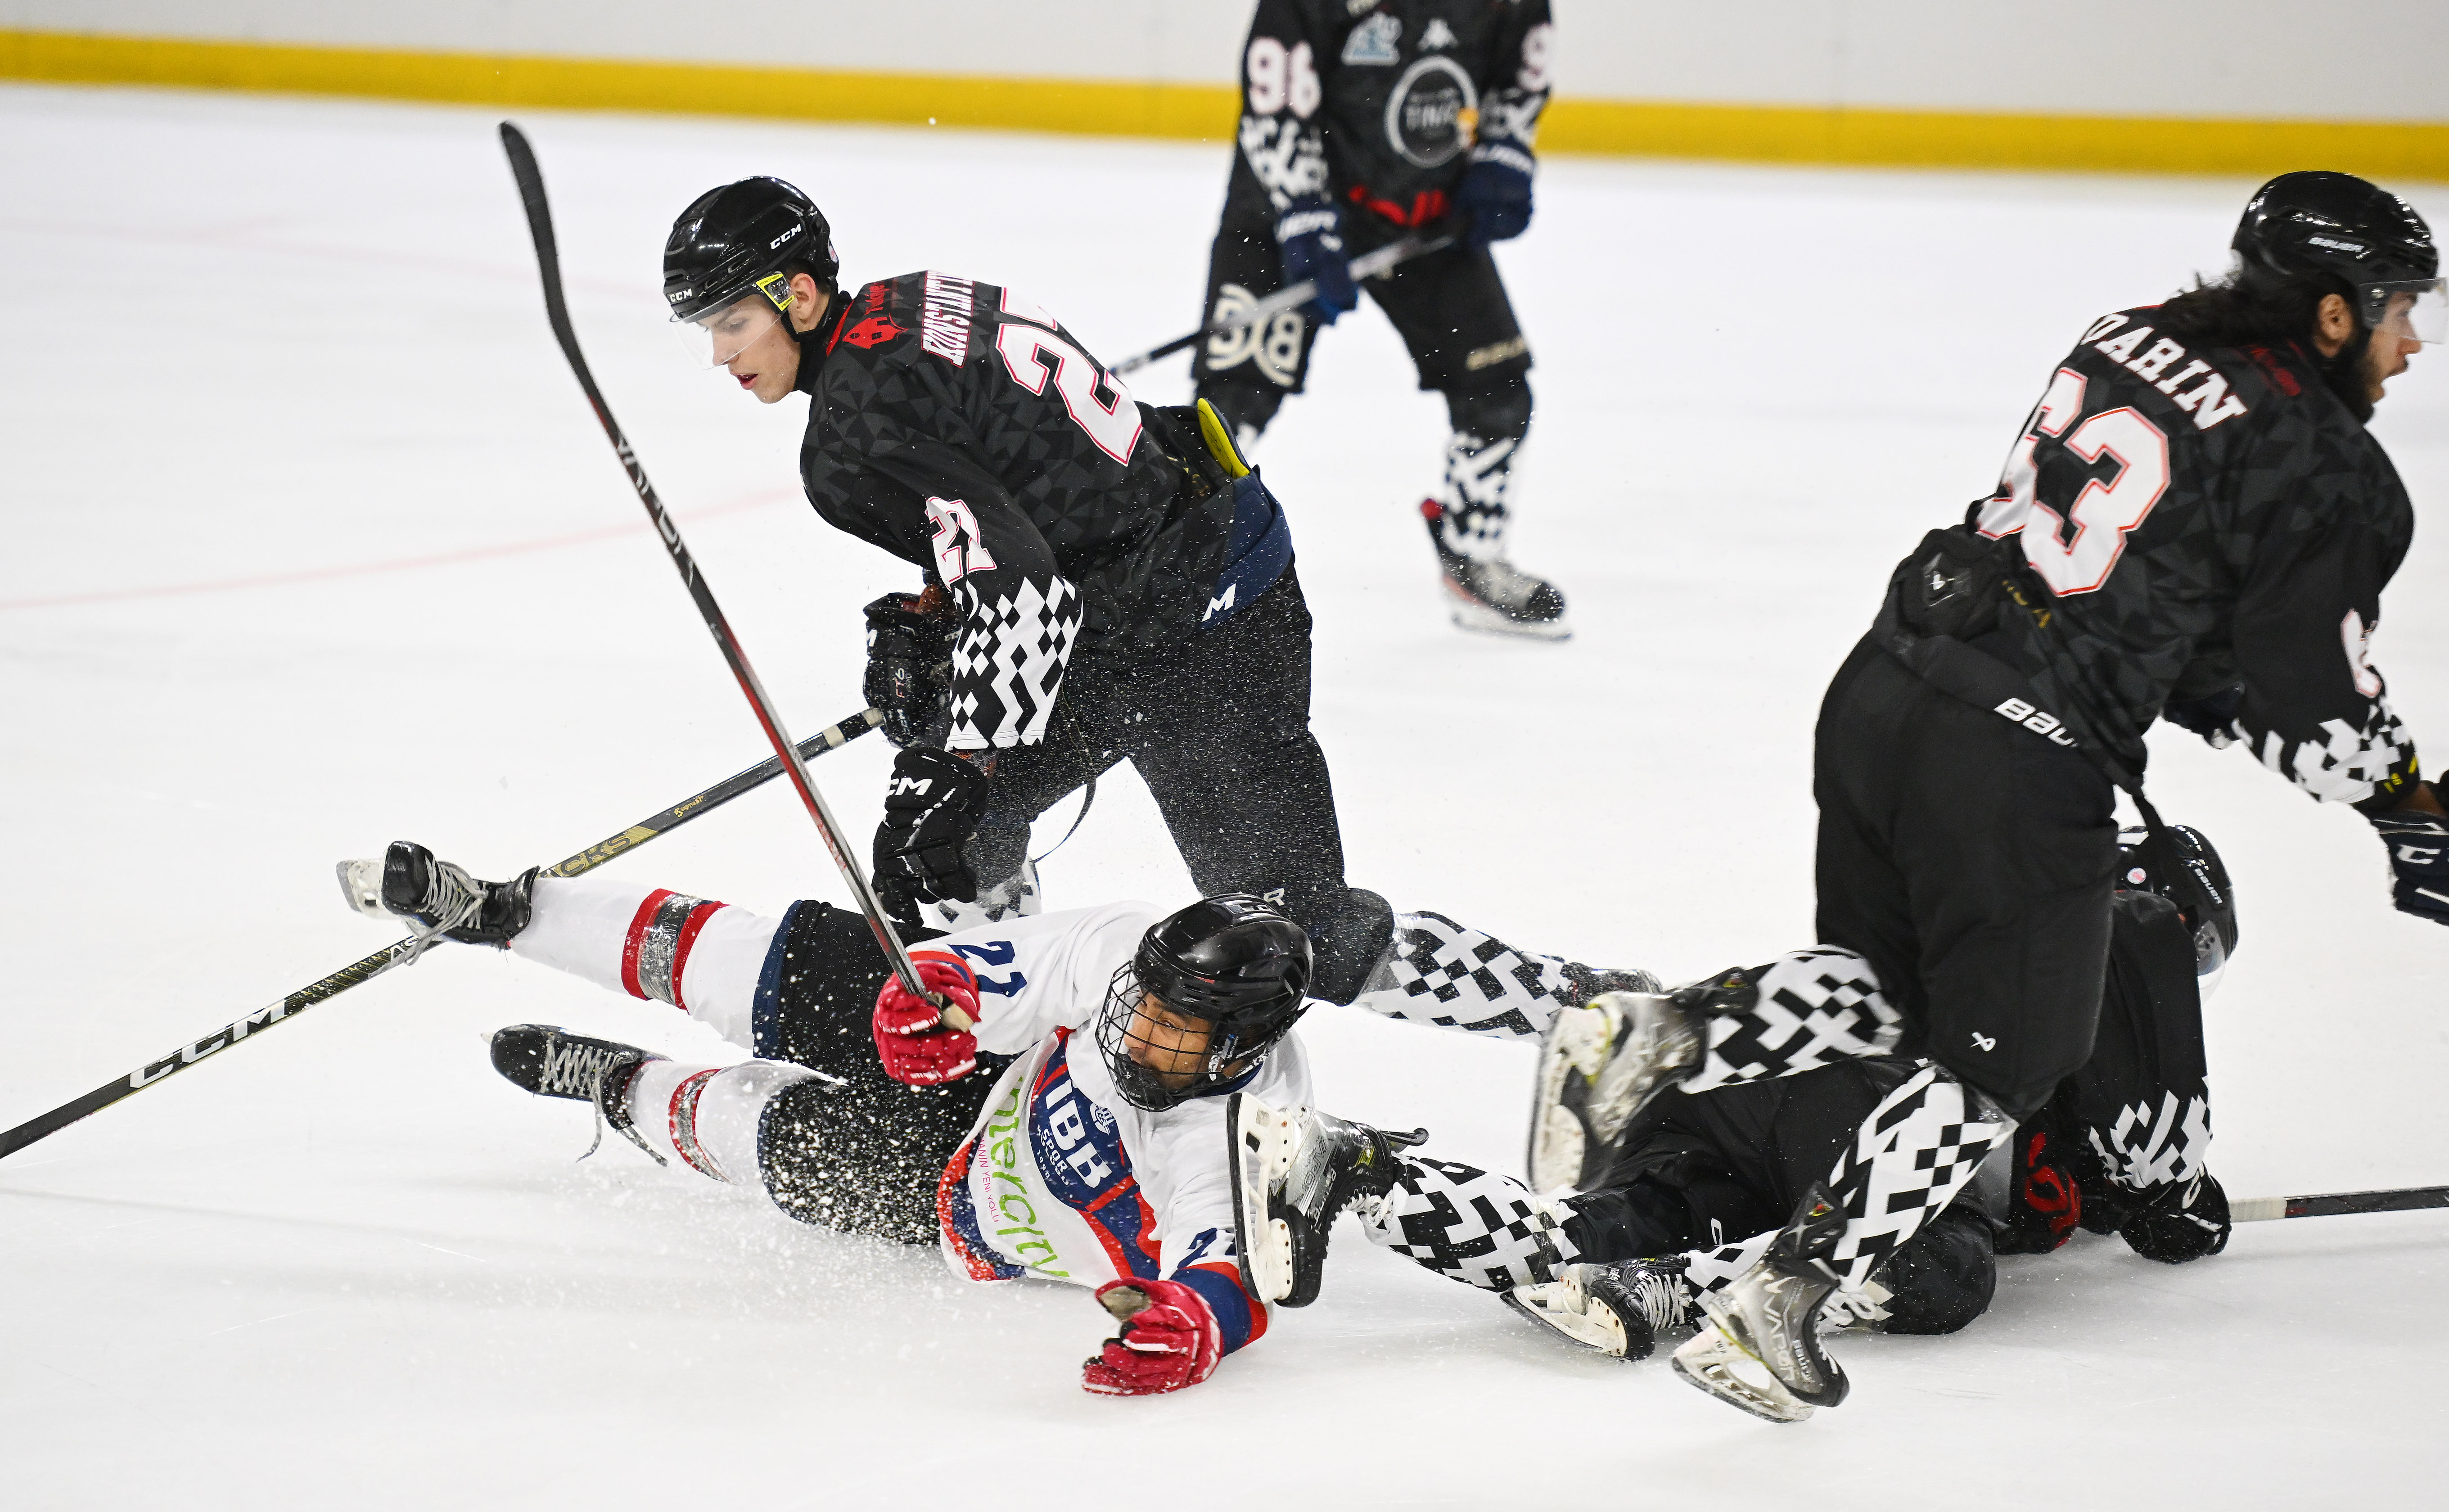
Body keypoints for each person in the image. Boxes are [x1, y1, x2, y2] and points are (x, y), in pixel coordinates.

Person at [1250, 169, 2447, 1423]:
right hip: (2019, 758)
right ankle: (1778, 1310)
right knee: (2003, 1068)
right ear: (2326, 312)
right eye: (2397, 309)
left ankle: (1657, 1034)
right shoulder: (2325, 462)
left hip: (1885, 685)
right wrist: (2408, 804)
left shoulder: (2131, 334)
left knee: (1886, 997)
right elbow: (2317, 702)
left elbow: (2178, 642)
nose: (2410, 340)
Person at [657, 174, 1647, 1050]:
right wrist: (937, 618)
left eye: (731, 325)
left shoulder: (848, 438)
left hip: (1199, 622)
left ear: (796, 293)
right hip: (1168, 581)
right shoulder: (912, 299)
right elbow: (1023, 493)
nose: (720, 357)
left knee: (1287, 928)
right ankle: (1015, 1047)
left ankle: (1590, 1013)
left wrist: (958, 755)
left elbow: (1024, 592)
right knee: (946, 852)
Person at [339, 838, 1336, 1398]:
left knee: (756, 1132)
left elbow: (1228, 1261)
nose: (1134, 1028)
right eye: (1143, 1000)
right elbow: (1009, 973)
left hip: (961, 1203)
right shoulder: (1128, 950)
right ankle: (511, 911)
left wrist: (1197, 1322)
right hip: (989, 1074)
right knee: (797, 963)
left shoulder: (1239, 1127)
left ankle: (622, 1089)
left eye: (1168, 1028)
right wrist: (935, 1000)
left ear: (1238, 1046)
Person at [1227, 825, 2241, 1368]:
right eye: (2195, 952)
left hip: (1732, 1107)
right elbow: (2151, 1153)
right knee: (1944, 1270)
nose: (2183, 980)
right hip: (1843, 1108)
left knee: (1579, 1239)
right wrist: (2176, 1199)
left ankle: (1356, 1173)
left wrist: (2123, 1198)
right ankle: (1682, 1291)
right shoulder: (2101, 937)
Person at [1192, 0, 1566, 639]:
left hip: (1423, 216)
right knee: (1233, 403)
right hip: (1282, 218)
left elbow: (1520, 74)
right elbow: (1274, 103)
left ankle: (1472, 555)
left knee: (1497, 389)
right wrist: (1305, 216)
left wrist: (1504, 150)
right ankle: (1176, 562)